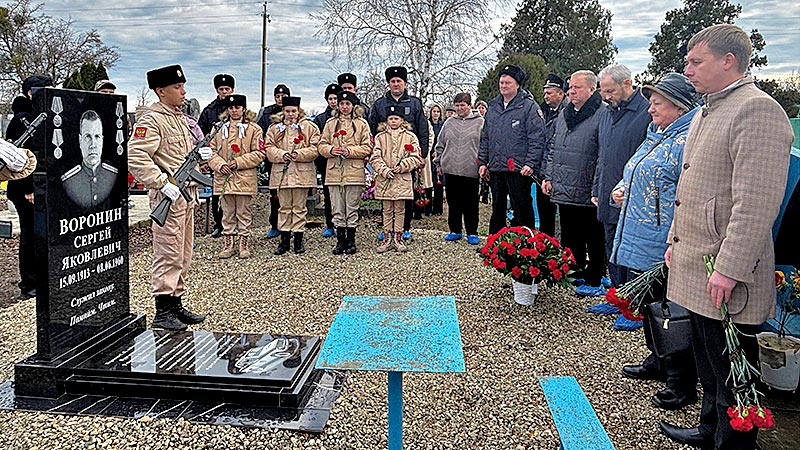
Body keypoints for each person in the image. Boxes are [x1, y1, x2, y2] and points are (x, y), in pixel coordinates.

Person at [660, 25, 794, 450]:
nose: (687, 70)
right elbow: (694, 188)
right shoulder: (709, 109)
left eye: (696, 61)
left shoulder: (757, 110)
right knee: (709, 365)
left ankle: (732, 445)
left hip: (725, 272)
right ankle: (708, 431)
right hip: (698, 262)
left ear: (728, 61)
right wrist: (674, 241)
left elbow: (756, 203)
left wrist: (730, 268)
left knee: (734, 377)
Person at [611, 73, 699, 411]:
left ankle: (681, 381)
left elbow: (687, 193)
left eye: (658, 103)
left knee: (670, 311)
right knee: (651, 306)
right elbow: (635, 172)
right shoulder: (655, 136)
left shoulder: (686, 141)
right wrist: (621, 189)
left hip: (662, 240)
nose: (650, 109)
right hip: (639, 234)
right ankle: (658, 359)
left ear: (679, 107)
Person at [128, 64, 212, 331]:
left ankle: (176, 303)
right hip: (169, 196)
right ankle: (163, 311)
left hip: (186, 194)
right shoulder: (152, 119)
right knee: (168, 252)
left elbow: (177, 157)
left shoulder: (178, 118)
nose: (183, 92)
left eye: (183, 86)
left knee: (183, 253)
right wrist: (161, 182)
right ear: (161, 91)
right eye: (177, 87)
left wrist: (200, 157)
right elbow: (136, 156)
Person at [542, 70, 607, 292]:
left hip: (587, 185)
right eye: (570, 87)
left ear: (592, 89)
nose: (571, 91)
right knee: (570, 233)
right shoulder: (564, 114)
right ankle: (575, 270)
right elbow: (553, 147)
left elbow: (603, 153)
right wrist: (549, 176)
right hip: (563, 183)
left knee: (593, 234)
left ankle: (595, 276)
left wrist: (597, 185)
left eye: (577, 87)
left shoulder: (602, 113)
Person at [594, 64, 651, 287]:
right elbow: (602, 154)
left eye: (611, 91)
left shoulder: (646, 113)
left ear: (627, 84)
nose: (606, 97)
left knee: (630, 254)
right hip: (608, 193)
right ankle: (616, 295)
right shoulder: (607, 113)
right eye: (603, 91)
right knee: (612, 248)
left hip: (632, 200)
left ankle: (630, 299)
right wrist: (597, 188)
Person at [478, 64, 546, 235]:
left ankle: (526, 242)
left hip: (519, 169)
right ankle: (495, 243)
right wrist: (483, 162)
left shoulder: (529, 107)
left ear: (517, 85)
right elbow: (485, 137)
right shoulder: (493, 107)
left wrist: (530, 163)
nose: (503, 86)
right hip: (496, 168)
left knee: (522, 208)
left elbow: (537, 138)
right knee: (497, 209)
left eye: (508, 83)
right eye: (501, 82)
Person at [369, 66, 430, 240]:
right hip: (385, 156)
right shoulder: (380, 104)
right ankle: (387, 229)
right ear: (389, 84)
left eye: (399, 81)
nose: (396, 84)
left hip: (407, 156)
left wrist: (422, 154)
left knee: (406, 193)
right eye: (393, 81)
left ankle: (405, 227)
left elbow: (422, 129)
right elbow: (372, 128)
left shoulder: (414, 103)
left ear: (405, 84)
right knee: (386, 193)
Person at [7, 75, 53, 300]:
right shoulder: (22, 119)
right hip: (26, 188)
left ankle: (42, 278)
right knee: (31, 235)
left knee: (41, 235)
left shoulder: (40, 114)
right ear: (30, 93)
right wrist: (29, 189)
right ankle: (29, 284)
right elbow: (18, 158)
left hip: (41, 186)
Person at [207, 94, 265, 259]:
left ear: (243, 109)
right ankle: (228, 244)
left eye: (237, 107)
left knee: (243, 212)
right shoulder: (218, 128)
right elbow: (210, 150)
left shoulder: (254, 129)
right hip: (224, 177)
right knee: (227, 213)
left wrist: (238, 162)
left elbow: (259, 153)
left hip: (244, 177)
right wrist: (220, 164)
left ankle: (243, 245)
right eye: (231, 108)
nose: (234, 110)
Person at [264, 96, 321, 255]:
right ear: (283, 111)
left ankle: (298, 239)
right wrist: (281, 154)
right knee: (284, 207)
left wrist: (299, 154)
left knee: (299, 207)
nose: (290, 114)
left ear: (298, 111)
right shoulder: (275, 128)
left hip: (301, 174)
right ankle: (284, 240)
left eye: (293, 111)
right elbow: (268, 147)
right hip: (281, 174)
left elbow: (315, 148)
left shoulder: (309, 127)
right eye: (287, 111)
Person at [318, 91, 372, 254]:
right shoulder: (330, 123)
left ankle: (351, 240)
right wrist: (331, 150)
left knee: (352, 206)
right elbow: (321, 145)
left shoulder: (361, 124)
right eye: (342, 104)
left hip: (354, 171)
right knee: (337, 207)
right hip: (335, 172)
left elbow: (367, 147)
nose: (344, 107)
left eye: (347, 104)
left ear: (353, 106)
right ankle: (340, 240)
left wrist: (350, 151)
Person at [371, 105, 423, 252]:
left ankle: (398, 238)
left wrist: (403, 166)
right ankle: (387, 238)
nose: (393, 121)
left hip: (402, 179)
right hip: (385, 179)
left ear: (402, 120)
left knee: (400, 210)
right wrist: (384, 170)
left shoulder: (410, 137)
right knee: (387, 210)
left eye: (396, 118)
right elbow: (375, 157)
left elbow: (416, 157)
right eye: (391, 118)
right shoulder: (380, 137)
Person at [434, 93, 484, 245]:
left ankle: (472, 232)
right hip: (450, 168)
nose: (460, 108)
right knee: (453, 202)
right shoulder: (449, 123)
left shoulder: (480, 122)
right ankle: (455, 230)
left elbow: (485, 145)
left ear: (470, 106)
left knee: (471, 203)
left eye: (463, 105)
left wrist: (483, 164)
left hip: (471, 169)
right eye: (457, 105)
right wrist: (439, 163)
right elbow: (440, 144)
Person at [198, 73, 236, 238]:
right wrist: (205, 157)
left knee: (237, 192)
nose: (224, 92)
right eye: (221, 89)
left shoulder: (238, 108)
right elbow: (201, 135)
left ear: (232, 89)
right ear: (217, 90)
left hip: (236, 156)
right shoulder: (209, 111)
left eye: (227, 89)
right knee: (217, 192)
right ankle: (219, 224)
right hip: (217, 157)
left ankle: (235, 223)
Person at [61, 110, 117, 209]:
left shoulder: (112, 175)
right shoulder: (69, 181)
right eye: (87, 137)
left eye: (97, 137)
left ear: (102, 140)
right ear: (80, 141)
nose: (93, 145)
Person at [258, 83, 291, 240]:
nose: (280, 99)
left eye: (283, 96)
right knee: (275, 195)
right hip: (274, 160)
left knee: (291, 195)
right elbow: (261, 134)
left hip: (291, 160)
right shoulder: (267, 113)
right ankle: (275, 224)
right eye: (277, 96)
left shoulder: (293, 112)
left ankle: (291, 225)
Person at [538, 73, 567, 236]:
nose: (546, 96)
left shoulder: (567, 113)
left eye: (549, 93)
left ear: (560, 93)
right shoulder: (543, 111)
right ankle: (545, 243)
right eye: (545, 93)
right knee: (545, 213)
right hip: (543, 170)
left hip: (561, 171)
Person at [313, 83, 340, 238]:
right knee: (329, 194)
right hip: (326, 162)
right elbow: (318, 141)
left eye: (335, 98)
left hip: (343, 161)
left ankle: (342, 224)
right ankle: (330, 223)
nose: (333, 101)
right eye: (330, 99)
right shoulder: (321, 119)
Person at [427, 104, 445, 216]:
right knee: (429, 182)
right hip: (428, 156)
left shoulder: (443, 125)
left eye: (438, 111)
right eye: (434, 111)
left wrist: (438, 153)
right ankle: (427, 207)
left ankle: (438, 208)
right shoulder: (427, 124)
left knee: (439, 184)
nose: (436, 114)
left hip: (439, 157)